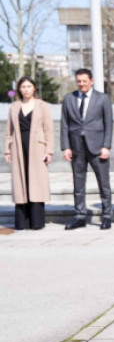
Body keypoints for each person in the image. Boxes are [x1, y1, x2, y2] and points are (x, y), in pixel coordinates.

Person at [60, 68, 113, 230]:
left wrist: (106, 146)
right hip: (77, 148)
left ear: (92, 81)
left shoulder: (102, 98)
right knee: (78, 184)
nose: (81, 84)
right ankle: (80, 216)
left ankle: (107, 216)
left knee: (103, 184)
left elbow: (109, 123)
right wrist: (66, 147)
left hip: (97, 147)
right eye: (79, 81)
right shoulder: (69, 98)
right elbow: (64, 124)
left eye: (84, 81)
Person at [5, 77, 53, 230]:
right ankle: (22, 221)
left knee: (36, 182)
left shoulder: (43, 106)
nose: (26, 89)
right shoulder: (14, 107)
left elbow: (49, 130)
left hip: (37, 147)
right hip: (18, 146)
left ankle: (37, 221)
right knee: (21, 181)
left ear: (34, 88)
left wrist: (49, 151)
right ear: (19, 89)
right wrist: (7, 149)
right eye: (23, 86)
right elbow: (9, 131)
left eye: (29, 86)